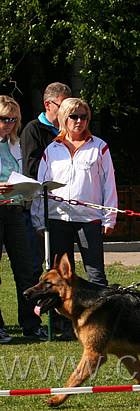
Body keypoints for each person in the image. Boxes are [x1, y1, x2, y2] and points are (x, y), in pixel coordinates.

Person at [32, 97, 117, 341]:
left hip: (89, 219)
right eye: (74, 117)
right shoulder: (52, 149)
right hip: (57, 219)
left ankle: (101, 324)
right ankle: (66, 326)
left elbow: (108, 183)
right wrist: (39, 220)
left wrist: (109, 217)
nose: (79, 121)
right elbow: (41, 187)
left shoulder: (99, 147)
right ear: (63, 119)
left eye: (84, 117)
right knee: (58, 277)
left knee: (96, 274)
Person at [0, 95, 49, 342]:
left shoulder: (16, 144)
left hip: (16, 211)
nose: (8, 124)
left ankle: (31, 323)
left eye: (13, 119)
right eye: (4, 119)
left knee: (26, 270)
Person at [20, 82, 72, 283]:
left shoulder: (70, 130)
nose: (67, 111)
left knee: (59, 263)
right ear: (48, 105)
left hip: (61, 207)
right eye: (62, 105)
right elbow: (31, 168)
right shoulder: (33, 129)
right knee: (34, 263)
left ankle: (57, 311)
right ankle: (32, 310)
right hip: (36, 204)